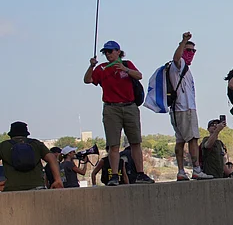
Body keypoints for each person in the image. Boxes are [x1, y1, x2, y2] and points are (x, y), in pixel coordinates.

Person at [85, 40, 152, 184]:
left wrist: (124, 69)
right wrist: (91, 66)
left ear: (118, 51)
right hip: (111, 108)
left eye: (110, 51)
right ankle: (114, 175)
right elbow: (87, 80)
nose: (108, 55)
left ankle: (140, 173)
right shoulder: (101, 68)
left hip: (129, 106)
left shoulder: (127, 64)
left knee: (135, 142)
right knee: (113, 144)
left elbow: (139, 75)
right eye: (106, 52)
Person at [168, 32, 212, 180]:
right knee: (193, 139)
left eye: (193, 51)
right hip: (184, 108)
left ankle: (181, 171)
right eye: (188, 50)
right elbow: (176, 58)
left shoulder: (185, 68)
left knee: (180, 140)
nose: (191, 53)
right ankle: (196, 169)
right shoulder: (178, 64)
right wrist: (183, 41)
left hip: (177, 109)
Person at [0, 121, 62, 191]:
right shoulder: (36, 144)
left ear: (11, 134)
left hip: (12, 187)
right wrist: (58, 180)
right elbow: (52, 158)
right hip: (37, 186)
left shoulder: (3, 146)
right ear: (26, 134)